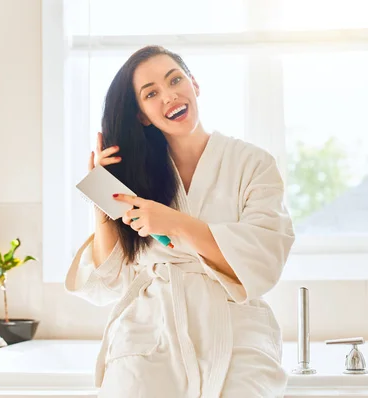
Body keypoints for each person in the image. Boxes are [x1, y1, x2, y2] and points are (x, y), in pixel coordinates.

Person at [65, 45, 295, 398]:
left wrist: (174, 223)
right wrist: (103, 195)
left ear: (194, 85)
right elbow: (106, 281)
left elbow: (263, 258)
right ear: (142, 114)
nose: (169, 95)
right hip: (150, 329)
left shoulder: (254, 163)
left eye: (175, 80)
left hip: (235, 327)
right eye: (151, 93)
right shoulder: (137, 175)